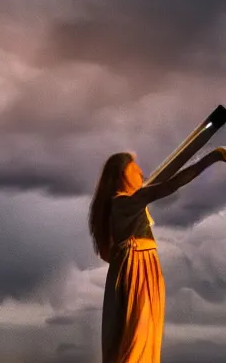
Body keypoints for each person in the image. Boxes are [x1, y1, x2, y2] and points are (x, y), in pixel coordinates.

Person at [88, 147, 226, 362]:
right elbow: (172, 184)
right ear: (122, 174)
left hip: (144, 266)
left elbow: (166, 181)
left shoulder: (126, 203)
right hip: (138, 268)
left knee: (145, 330)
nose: (141, 174)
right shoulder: (123, 202)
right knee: (138, 333)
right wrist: (213, 157)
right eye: (135, 169)